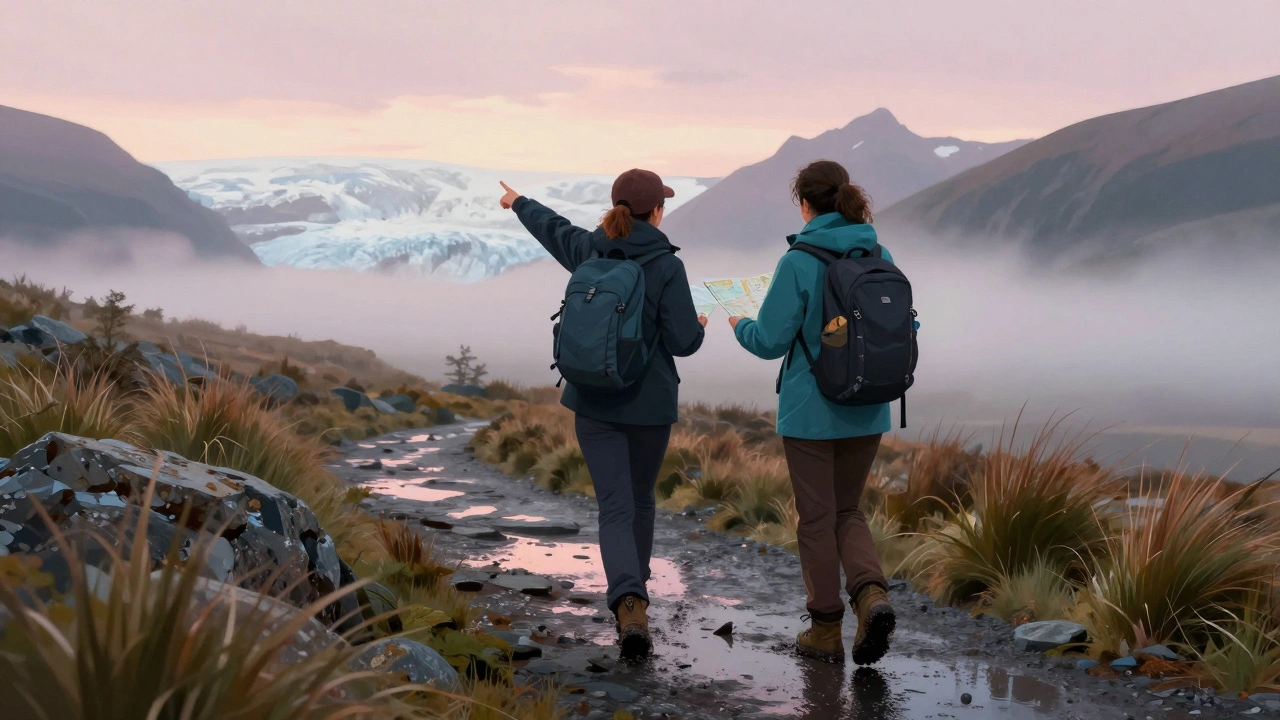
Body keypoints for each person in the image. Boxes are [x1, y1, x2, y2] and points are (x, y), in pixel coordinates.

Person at [499, 170, 707, 658]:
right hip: (650, 405)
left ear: (615, 206)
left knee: (613, 506)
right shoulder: (665, 265)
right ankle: (637, 592)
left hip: (592, 402)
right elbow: (683, 343)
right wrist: (698, 326)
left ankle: (628, 602)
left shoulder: (587, 249)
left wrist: (518, 201)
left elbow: (551, 226)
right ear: (657, 211)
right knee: (640, 500)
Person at [728, 159, 905, 665]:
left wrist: (738, 321)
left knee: (817, 518)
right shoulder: (878, 251)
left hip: (811, 411)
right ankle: (872, 596)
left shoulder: (799, 260)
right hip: (869, 404)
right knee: (848, 511)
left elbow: (767, 341)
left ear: (804, 204)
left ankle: (826, 630)